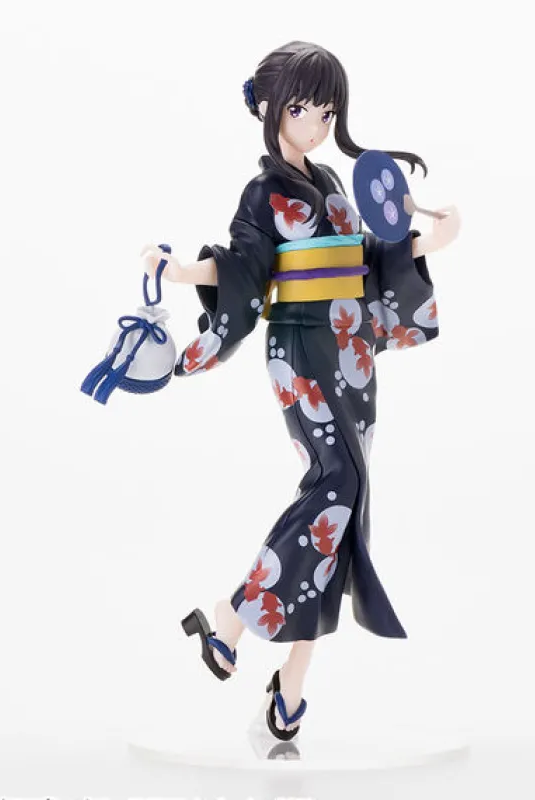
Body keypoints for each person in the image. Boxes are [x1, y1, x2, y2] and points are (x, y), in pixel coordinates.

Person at [143, 40, 461, 740]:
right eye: (301, 109)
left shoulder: (334, 181)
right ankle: (232, 618)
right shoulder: (263, 194)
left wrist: (425, 245)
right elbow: (244, 267)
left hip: (352, 348)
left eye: (327, 112)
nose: (316, 124)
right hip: (303, 348)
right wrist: (182, 272)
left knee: (341, 513)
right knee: (336, 485)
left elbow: (368, 258)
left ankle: (289, 686)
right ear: (270, 109)